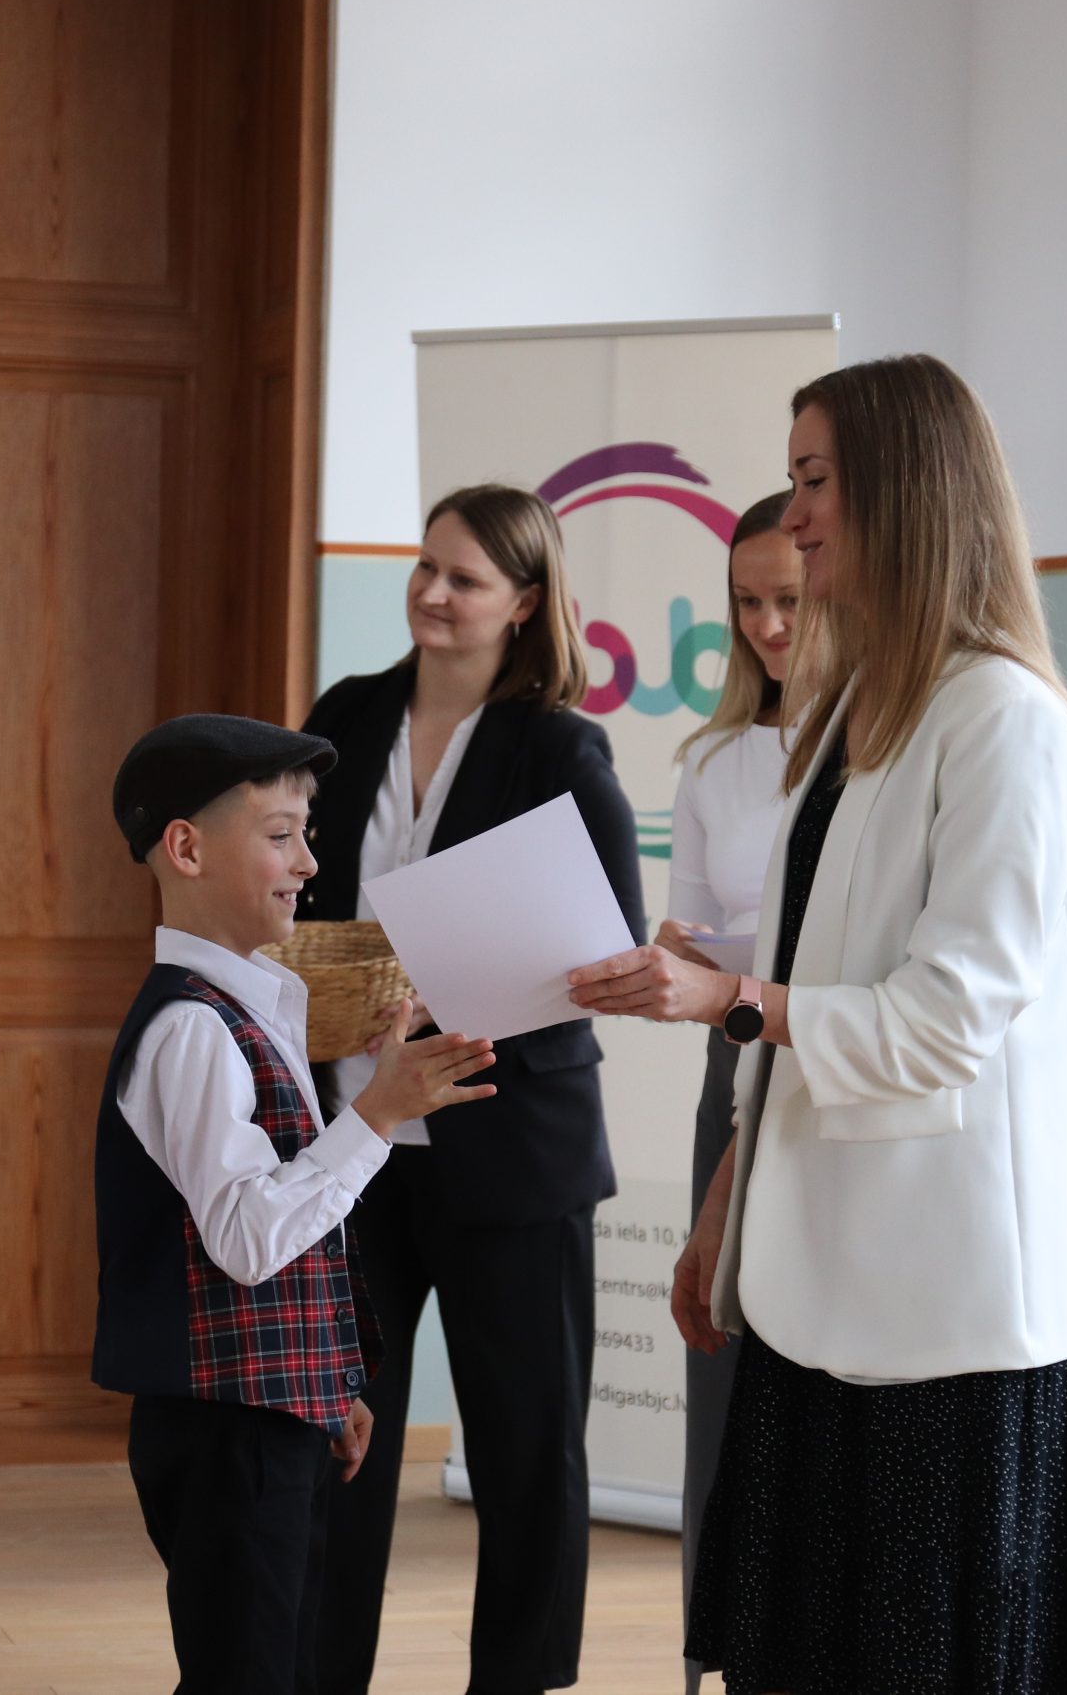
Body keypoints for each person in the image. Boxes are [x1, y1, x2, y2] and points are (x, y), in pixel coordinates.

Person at [568, 356, 1067, 1694]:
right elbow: (810, 971)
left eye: (815, 482)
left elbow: (946, 1021)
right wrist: (728, 1201)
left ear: (905, 489)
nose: (794, 516)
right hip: (816, 1280)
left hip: (944, 1309)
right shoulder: (856, 712)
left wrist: (732, 999)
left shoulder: (1006, 722)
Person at [300, 484, 645, 1695]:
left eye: (464, 579)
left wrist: (451, 983)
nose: (432, 594)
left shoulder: (558, 747)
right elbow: (293, 888)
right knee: (337, 1440)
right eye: (425, 567)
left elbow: (608, 950)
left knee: (525, 1454)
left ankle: (517, 1684)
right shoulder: (345, 715)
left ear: (526, 603)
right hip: (356, 1139)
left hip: (512, 1148)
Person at [92, 714, 500, 1694]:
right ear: (186, 848)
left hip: (269, 1418)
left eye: (305, 834)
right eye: (280, 836)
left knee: (274, 1663)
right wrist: (377, 1114)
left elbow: (295, 1219)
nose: (308, 862)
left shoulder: (252, 1006)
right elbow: (246, 1237)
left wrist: (327, 1386)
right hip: (225, 1431)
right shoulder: (193, 1029)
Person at [656, 488, 800, 1695]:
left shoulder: (890, 747)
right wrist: (680, 966)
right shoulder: (711, 759)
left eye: (789, 600)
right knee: (721, 1341)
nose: (766, 627)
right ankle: (719, 1644)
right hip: (736, 1055)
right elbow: (694, 937)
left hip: (832, 1059)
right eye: (746, 603)